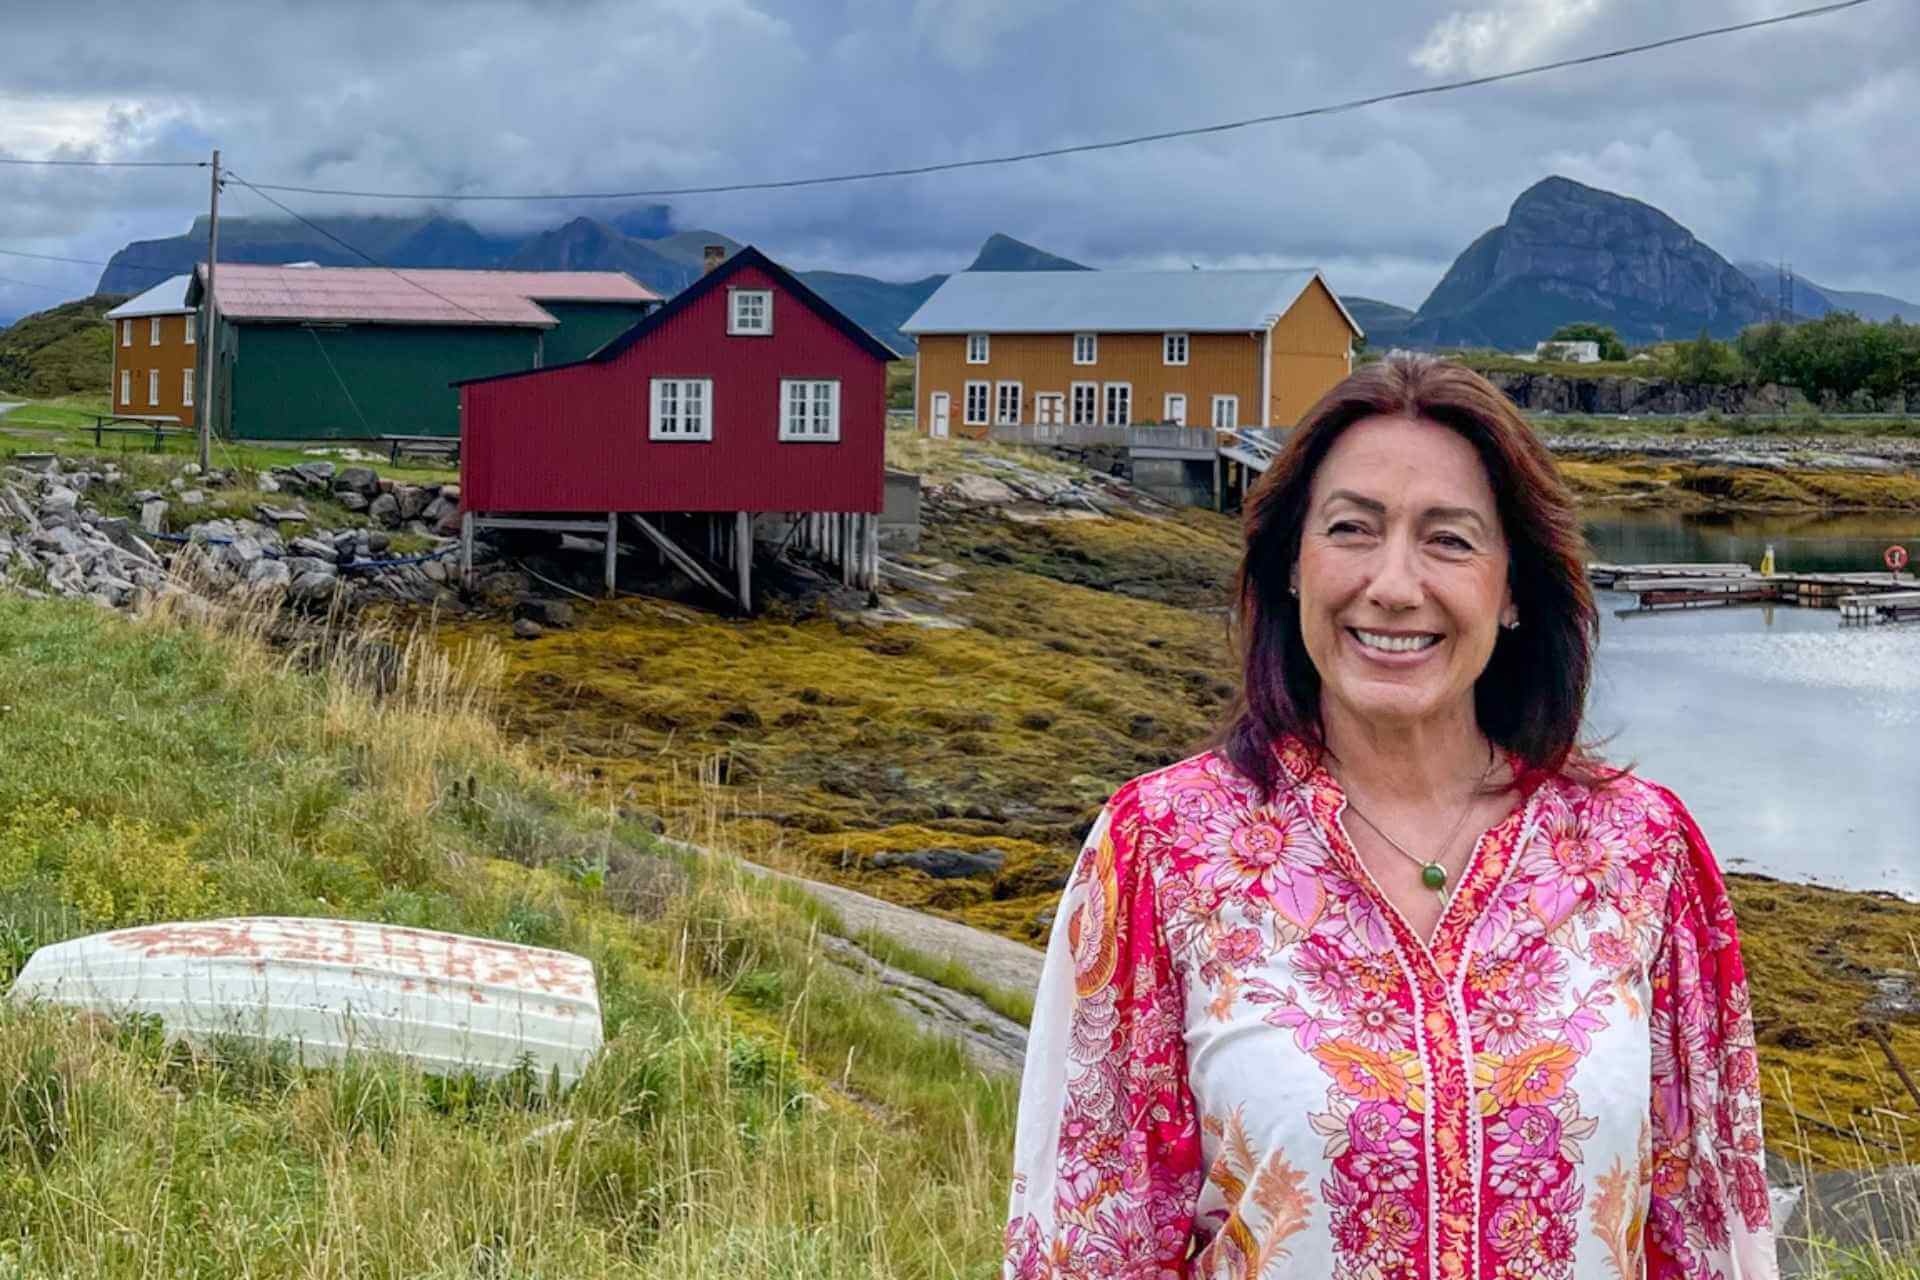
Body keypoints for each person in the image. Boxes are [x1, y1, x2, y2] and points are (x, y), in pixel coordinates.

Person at [1002, 356, 1775, 1279]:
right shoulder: (1161, 851)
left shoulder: (1640, 854)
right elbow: (1087, 1241)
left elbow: (1710, 1232)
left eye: (1449, 541)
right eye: (1351, 530)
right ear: (1291, 565)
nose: (1395, 585)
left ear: (1515, 587)